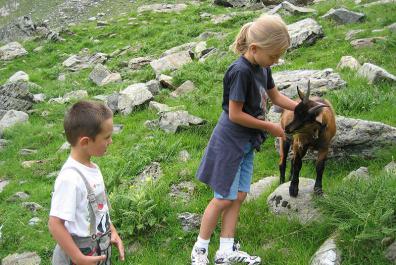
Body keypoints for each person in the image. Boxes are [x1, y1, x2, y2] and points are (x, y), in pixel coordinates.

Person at [190, 14, 298, 265]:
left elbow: (276, 97)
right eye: (273, 56)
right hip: (229, 142)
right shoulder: (240, 72)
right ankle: (200, 250)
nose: (276, 60)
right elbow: (235, 114)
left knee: (238, 196)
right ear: (254, 48)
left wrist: (302, 107)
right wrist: (270, 126)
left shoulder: (263, 66)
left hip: (247, 143)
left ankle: (225, 251)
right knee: (223, 198)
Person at [48, 100, 125, 265]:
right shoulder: (70, 179)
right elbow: (55, 224)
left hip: (99, 247)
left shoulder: (93, 168)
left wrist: (112, 231)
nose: (110, 142)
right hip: (81, 253)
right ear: (85, 142)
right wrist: (78, 258)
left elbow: (99, 210)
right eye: (106, 137)